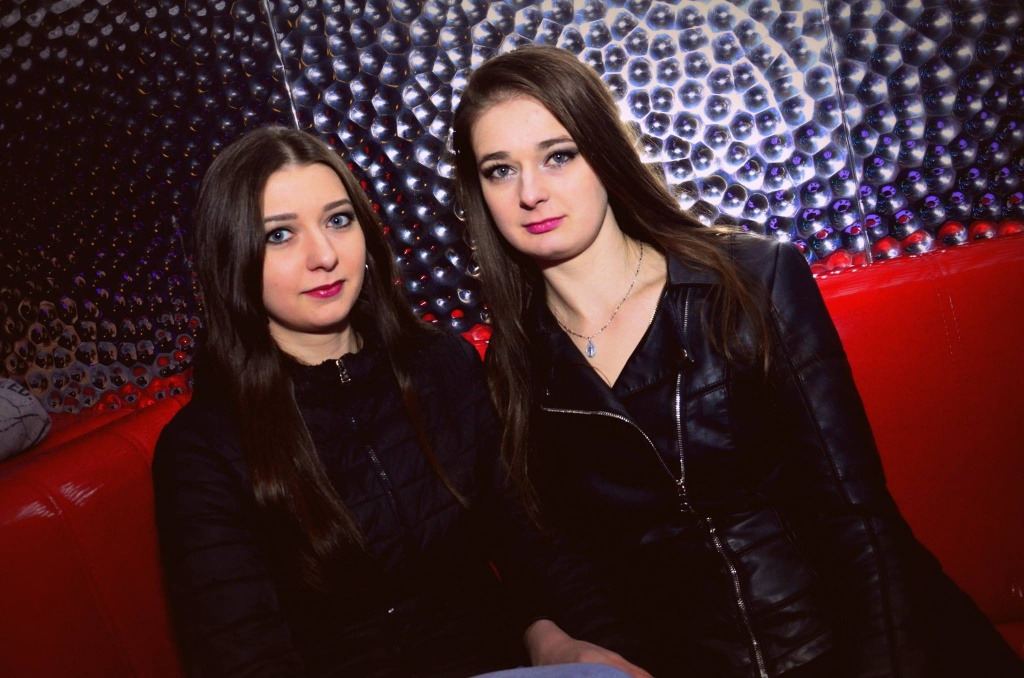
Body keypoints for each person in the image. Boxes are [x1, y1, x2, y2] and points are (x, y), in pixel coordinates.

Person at [451, 45, 1023, 678]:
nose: (531, 192)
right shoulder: (515, 365)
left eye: (558, 155)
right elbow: (567, 562)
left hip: (845, 642)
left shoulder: (751, 281)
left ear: (604, 153)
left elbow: (857, 518)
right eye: (500, 170)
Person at [152, 126, 642, 678]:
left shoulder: (443, 366)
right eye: (280, 235)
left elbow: (537, 543)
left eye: (338, 220)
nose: (324, 255)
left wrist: (569, 642)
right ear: (233, 257)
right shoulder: (203, 450)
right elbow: (244, 657)